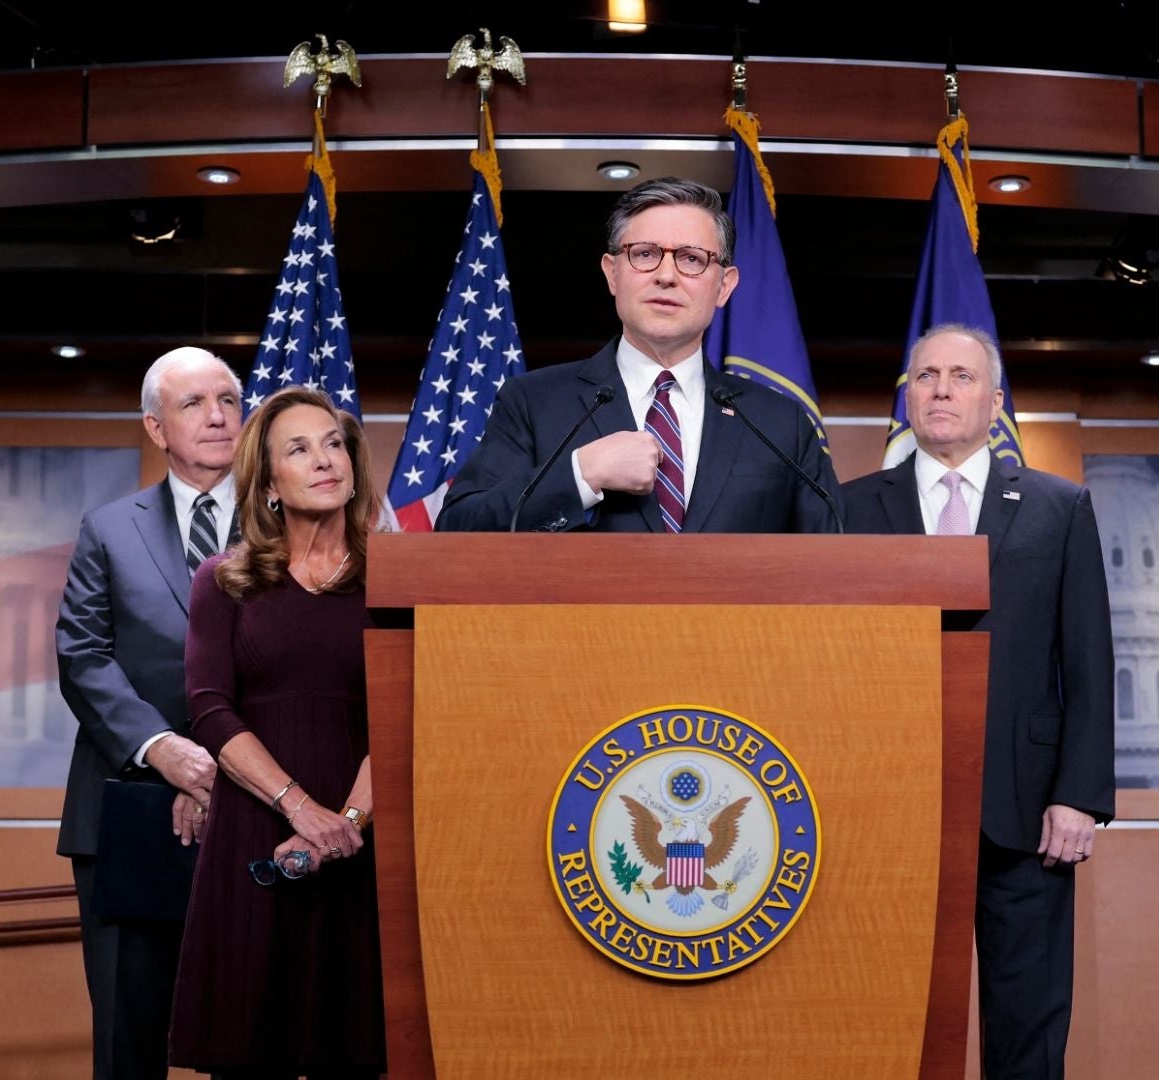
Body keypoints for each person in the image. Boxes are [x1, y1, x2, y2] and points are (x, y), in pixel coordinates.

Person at [841, 325, 1114, 1079]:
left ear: (994, 404)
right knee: (889, 1018)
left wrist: (1080, 796)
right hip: (888, 804)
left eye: (961, 376)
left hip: (1026, 811)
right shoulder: (851, 508)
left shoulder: (1059, 508)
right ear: (907, 396)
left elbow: (1088, 660)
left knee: (1026, 1023)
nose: (940, 388)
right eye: (925, 375)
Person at [168, 386, 384, 1080]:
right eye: (299, 449)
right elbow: (211, 711)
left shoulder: (392, 580)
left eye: (333, 443)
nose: (325, 460)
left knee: (352, 1050)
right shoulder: (224, 582)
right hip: (255, 836)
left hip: (365, 846)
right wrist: (300, 810)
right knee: (250, 1050)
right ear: (267, 484)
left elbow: (404, 714)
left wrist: (345, 824)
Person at [438, 176, 839, 533]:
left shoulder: (781, 424)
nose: (666, 275)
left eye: (692, 259)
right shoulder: (532, 401)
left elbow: (833, 563)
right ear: (613, 273)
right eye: (645, 254)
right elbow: (459, 530)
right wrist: (582, 475)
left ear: (724, 287)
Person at [56, 345, 242, 1080]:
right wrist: (163, 748)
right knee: (128, 1046)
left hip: (254, 807)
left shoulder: (289, 523)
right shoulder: (108, 527)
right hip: (128, 809)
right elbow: (84, 657)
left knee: (249, 1036)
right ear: (156, 427)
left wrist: (227, 763)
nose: (218, 416)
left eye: (228, 398)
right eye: (193, 403)